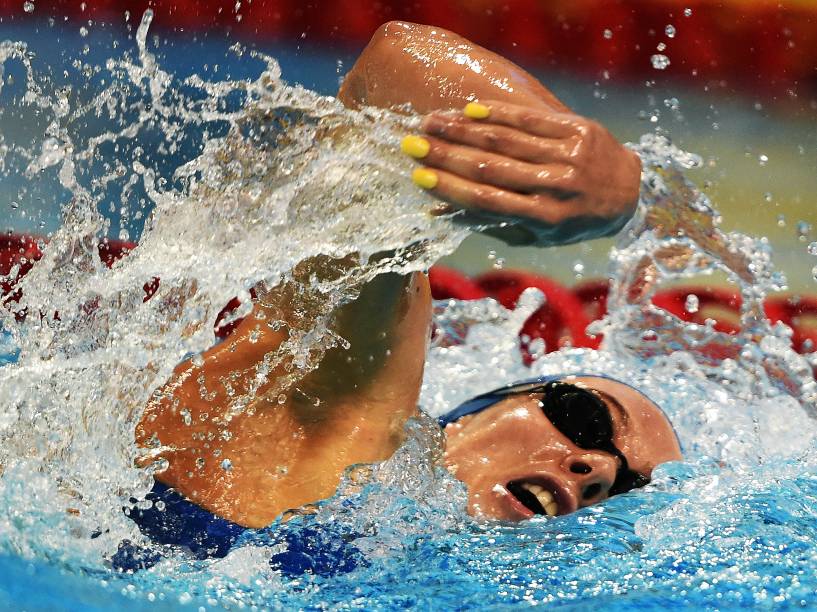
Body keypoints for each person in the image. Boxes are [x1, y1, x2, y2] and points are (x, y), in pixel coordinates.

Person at [127, 21, 681, 566]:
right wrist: (609, 181)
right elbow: (397, 64)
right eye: (584, 418)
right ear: (472, 414)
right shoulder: (348, 412)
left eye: (628, 491)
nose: (599, 471)